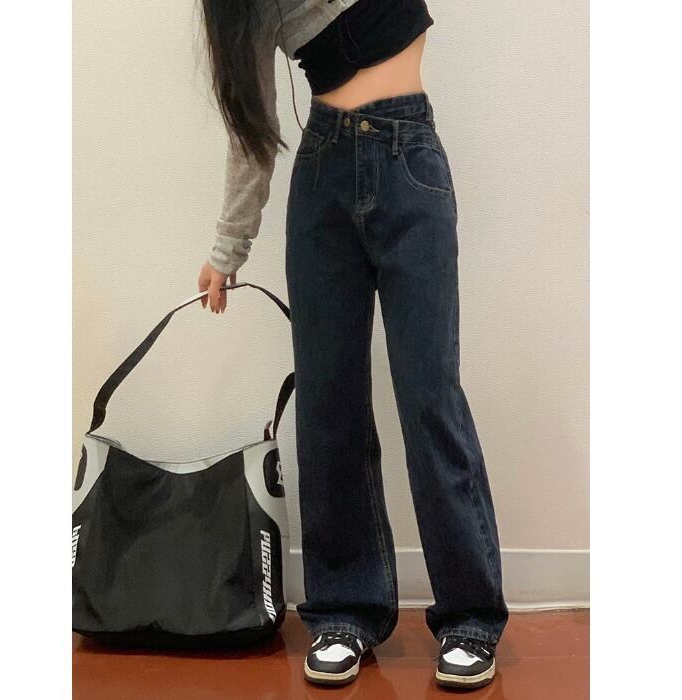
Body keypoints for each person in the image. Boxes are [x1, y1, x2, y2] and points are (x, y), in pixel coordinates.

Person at [197, 0, 508, 689]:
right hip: (323, 172)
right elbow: (252, 127)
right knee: (328, 402)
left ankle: (470, 617)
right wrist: (228, 247)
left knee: (430, 395)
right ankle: (343, 610)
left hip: (410, 159)